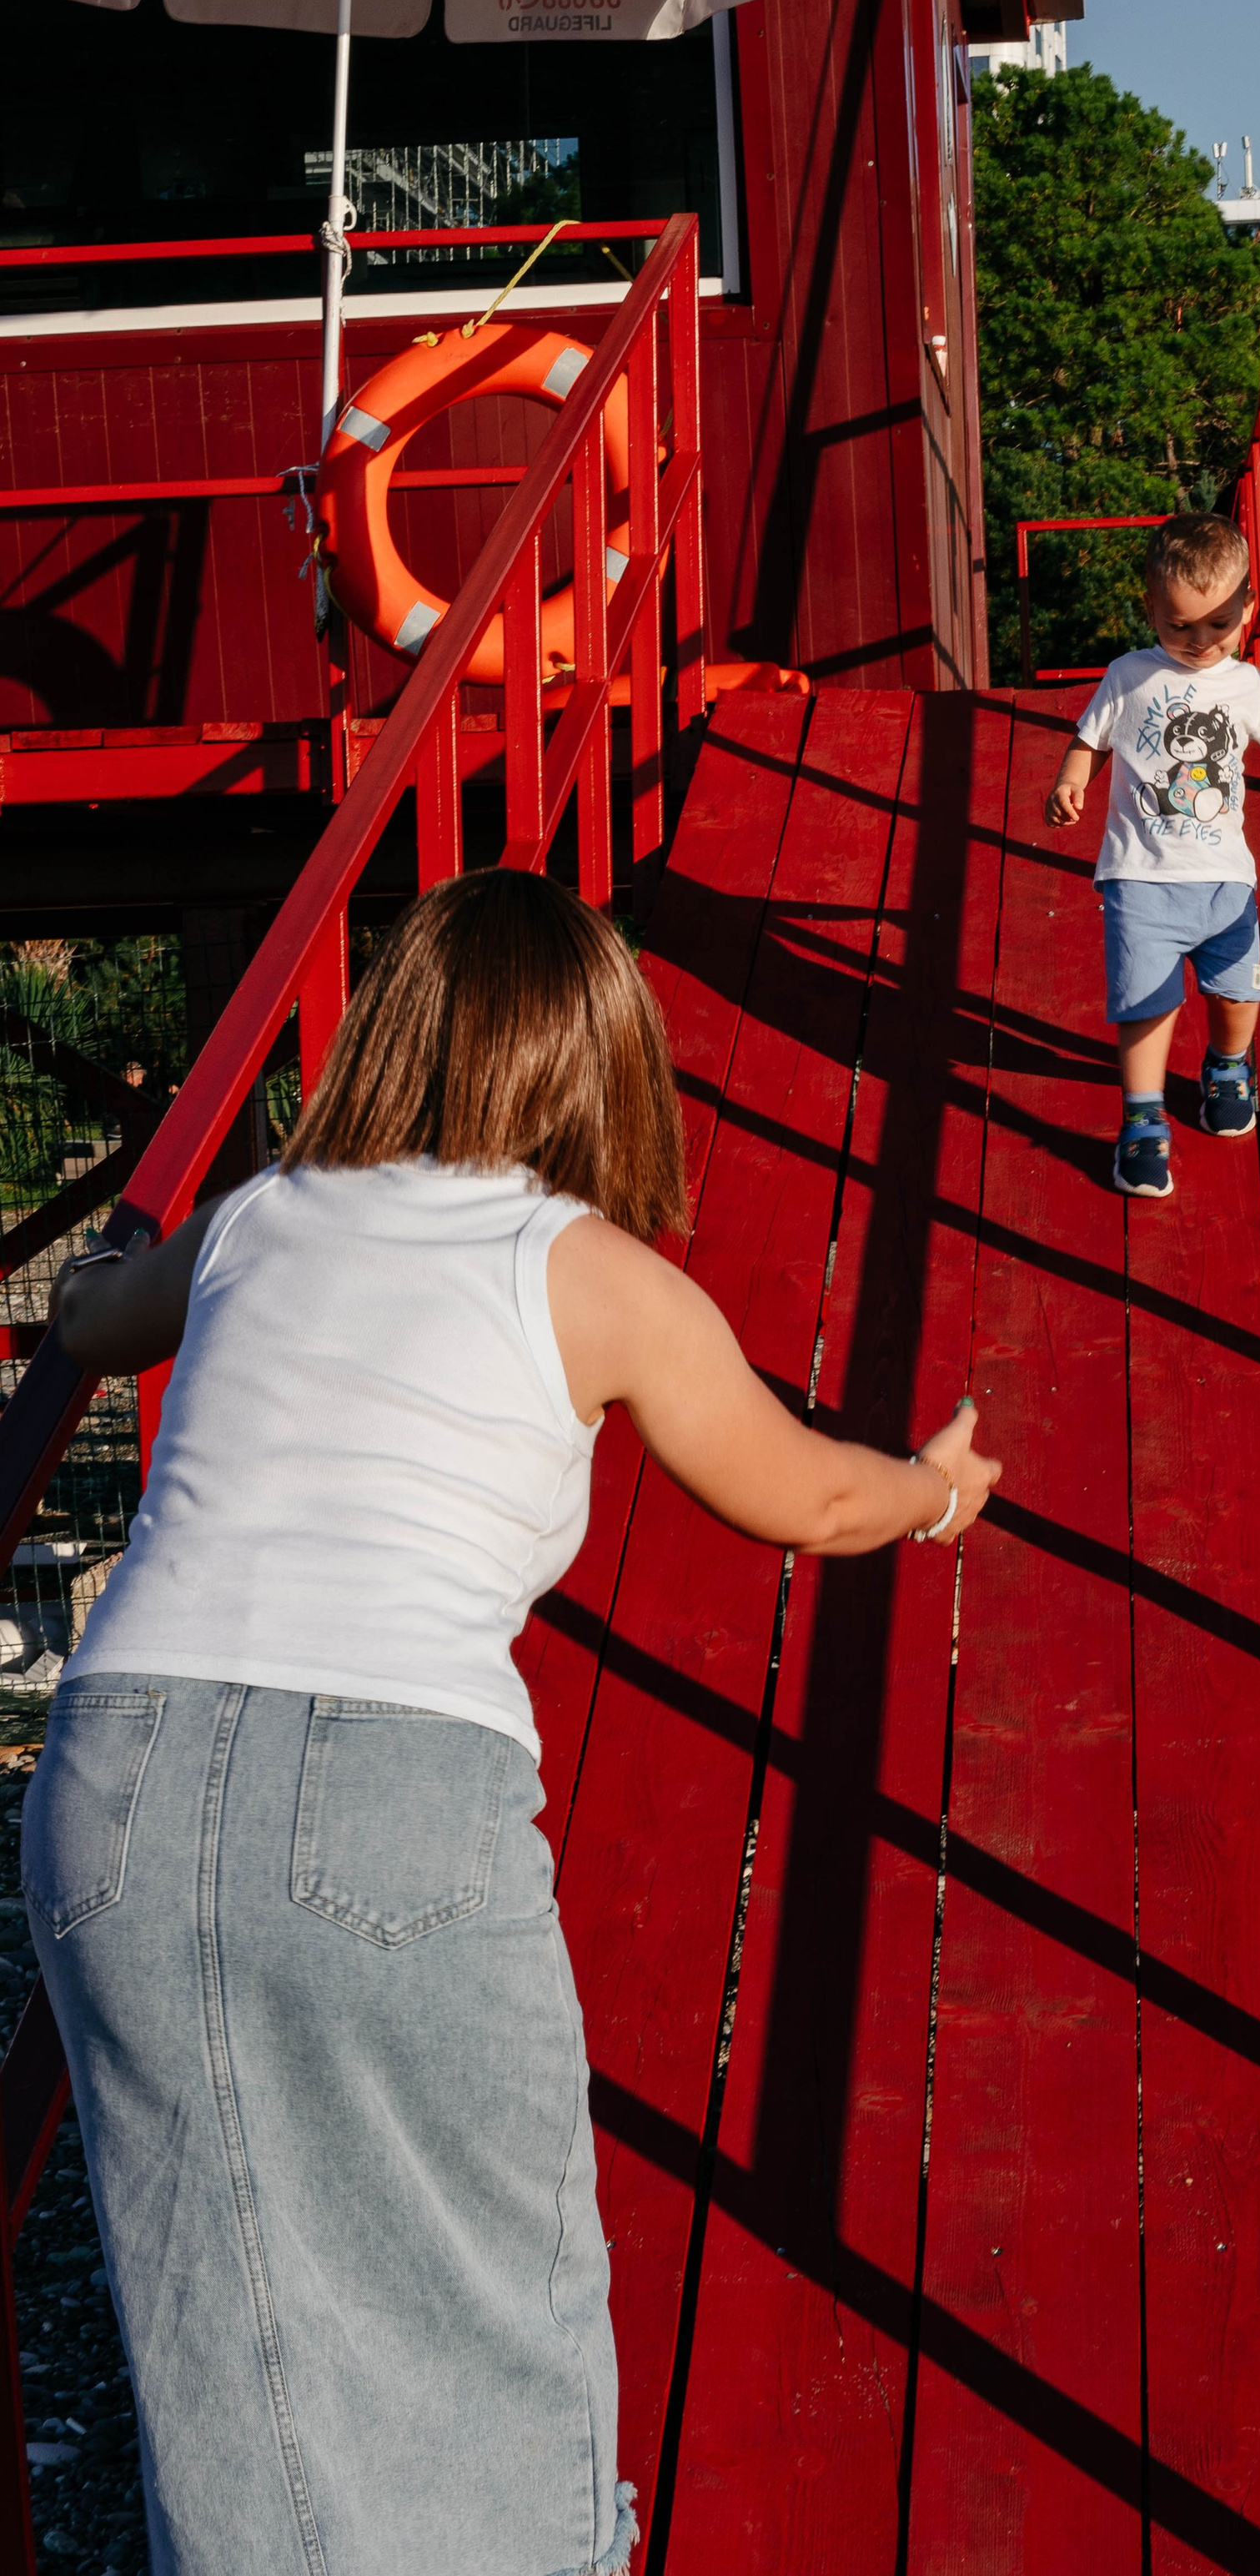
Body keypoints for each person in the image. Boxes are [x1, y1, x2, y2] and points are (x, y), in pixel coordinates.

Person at [36, 866, 999, 2576]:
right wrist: (930, 1491)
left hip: (115, 1770)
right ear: (596, 1063)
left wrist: (111, 1270)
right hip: (386, 1783)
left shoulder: (261, 1216)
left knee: (226, 2307)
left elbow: (93, 1320)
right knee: (495, 2287)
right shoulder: (588, 1269)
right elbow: (803, 1500)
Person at [1043, 513, 1260, 1200]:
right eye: (1179, 626)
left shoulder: (1242, 684)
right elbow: (1089, 740)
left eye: (1218, 625)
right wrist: (1071, 780)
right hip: (1141, 876)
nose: (1200, 642)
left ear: (1245, 608)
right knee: (1145, 1004)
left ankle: (1228, 1064)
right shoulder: (1128, 675)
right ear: (1150, 607)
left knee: (1240, 992)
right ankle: (1143, 1122)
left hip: (1225, 883)